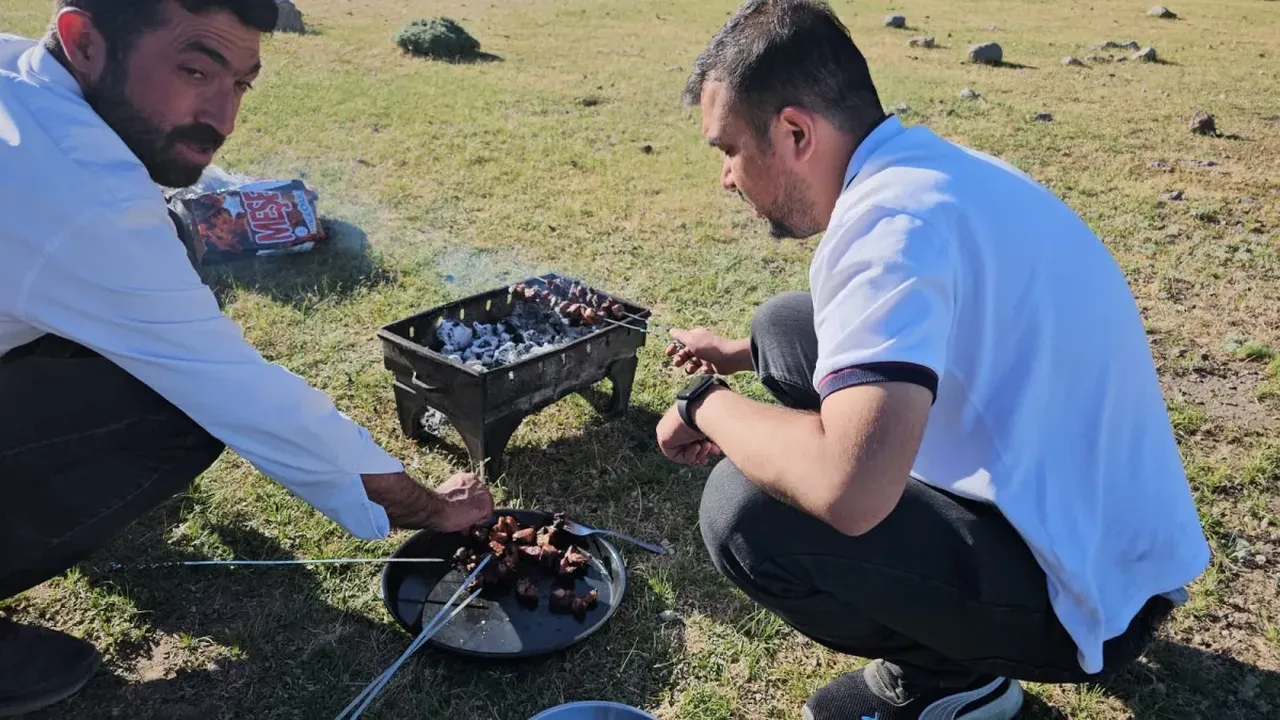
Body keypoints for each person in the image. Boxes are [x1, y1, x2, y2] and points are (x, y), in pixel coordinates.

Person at [654, 2, 1211, 718]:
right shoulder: (923, 172)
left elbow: (849, 492)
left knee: (742, 511)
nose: (727, 178)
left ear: (795, 132)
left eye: (727, 149)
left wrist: (705, 403)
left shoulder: (885, 231)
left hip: (1086, 602)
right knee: (785, 325)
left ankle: (954, 681)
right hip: (1110, 538)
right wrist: (737, 356)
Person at [0, 1, 493, 715]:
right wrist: (431, 509)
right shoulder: (85, 200)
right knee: (177, 407)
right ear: (84, 41)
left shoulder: (21, 76)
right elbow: (248, 400)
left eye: (241, 84)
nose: (222, 116)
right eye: (195, 69)